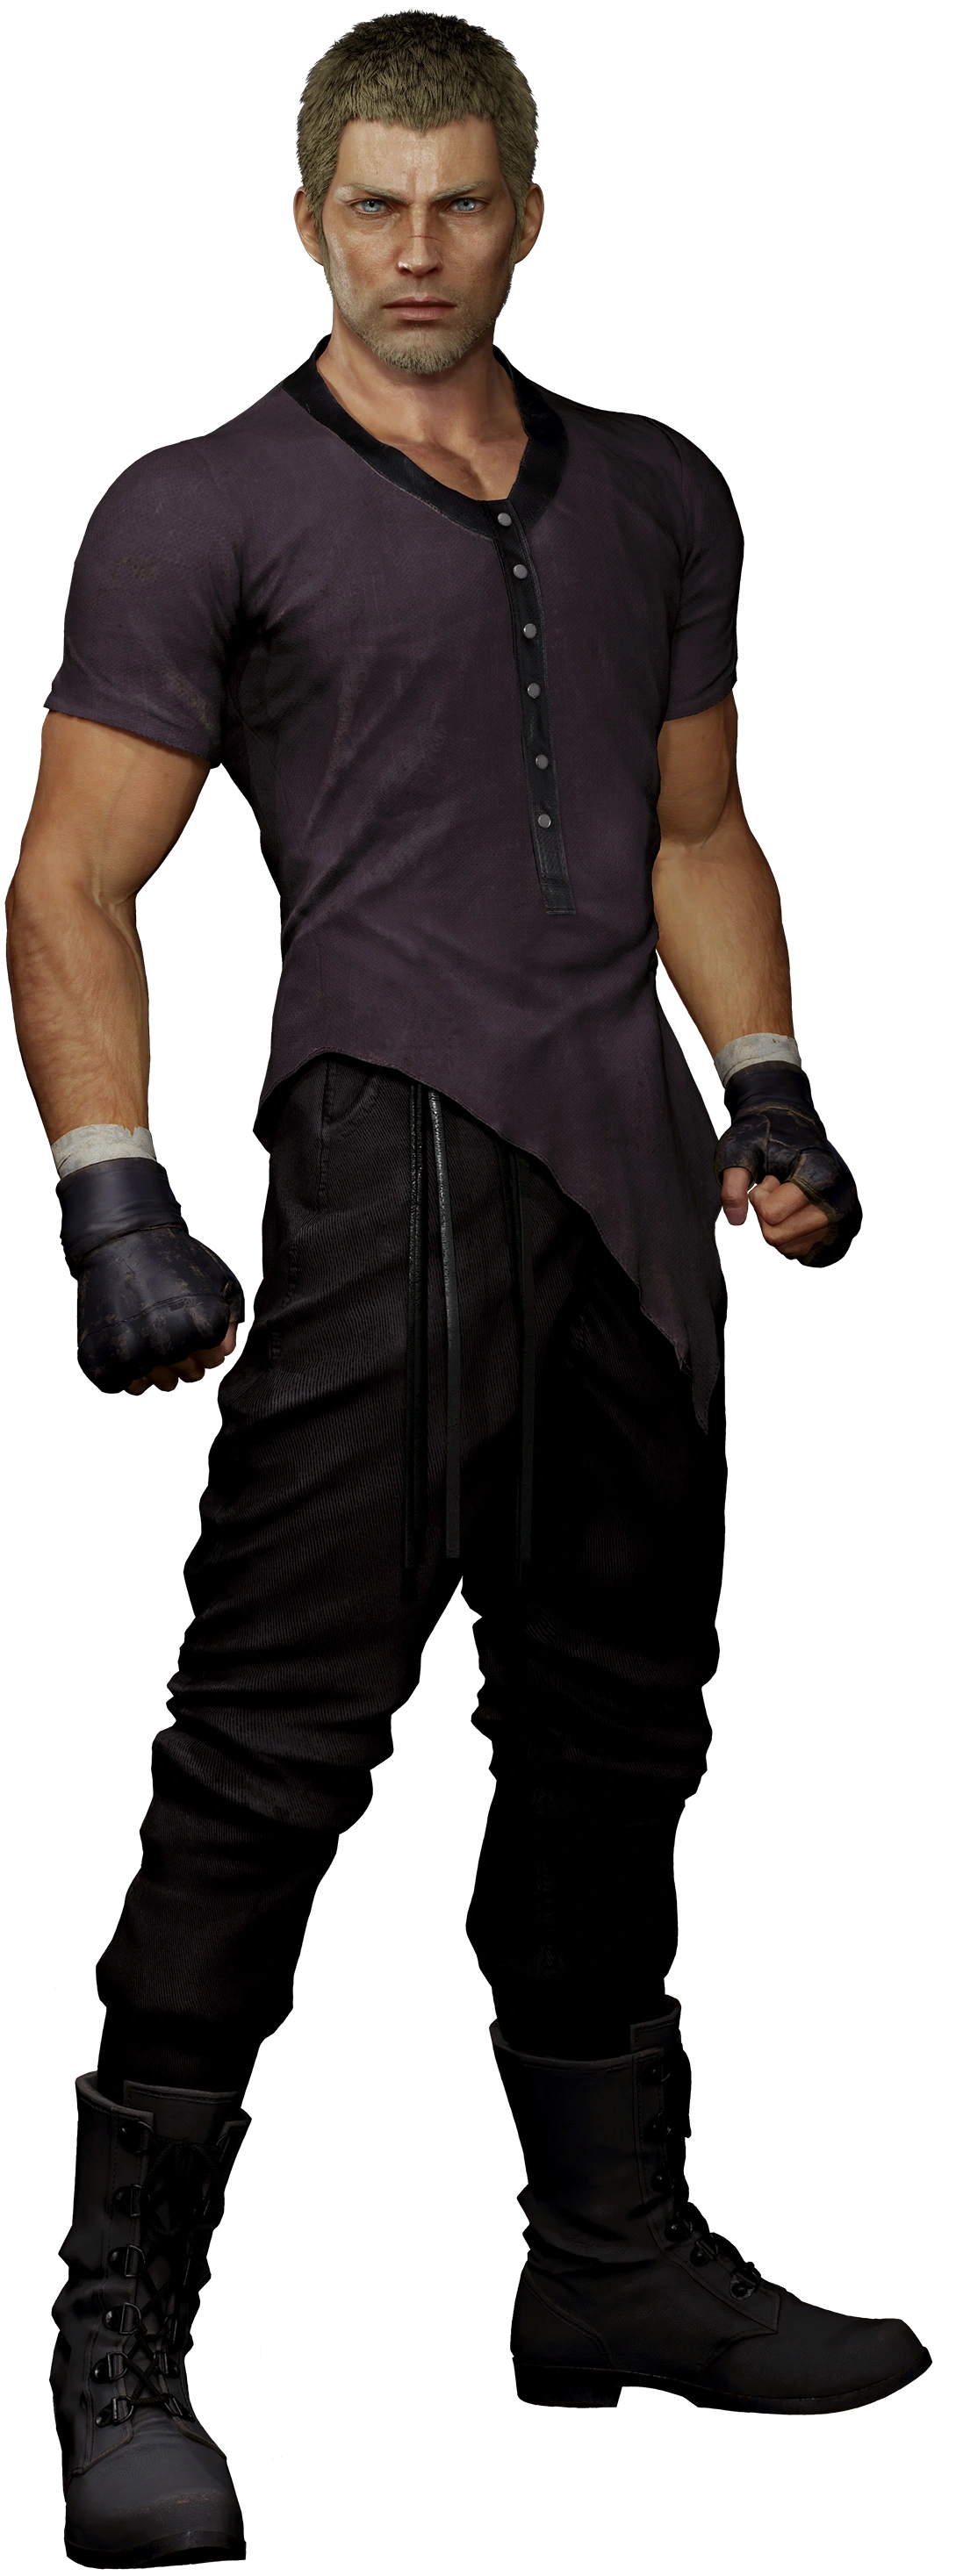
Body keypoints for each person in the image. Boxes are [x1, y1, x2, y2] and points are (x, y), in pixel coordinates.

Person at [11, 11, 927, 2562]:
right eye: (372, 205)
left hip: (628, 1184)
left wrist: (767, 1074)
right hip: (382, 1153)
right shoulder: (197, 506)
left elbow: (697, 822)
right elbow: (75, 872)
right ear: (310, 218)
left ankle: (608, 2263)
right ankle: (118, 2328)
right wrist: (111, 1188)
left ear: (529, 215)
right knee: (273, 1748)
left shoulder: (661, 488)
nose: (418, 251)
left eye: (463, 203)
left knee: (620, 1731)